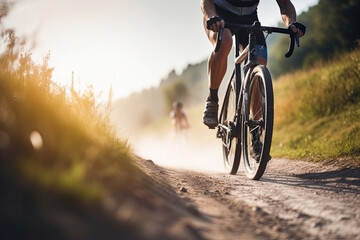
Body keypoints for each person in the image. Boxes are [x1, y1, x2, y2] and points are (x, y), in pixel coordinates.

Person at [201, 0, 305, 160]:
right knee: (224, 42)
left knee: (260, 62)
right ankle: (212, 100)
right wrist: (212, 16)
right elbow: (206, 2)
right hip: (219, 14)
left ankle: (255, 136)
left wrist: (292, 23)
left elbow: (285, 5)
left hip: (249, 17)